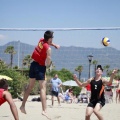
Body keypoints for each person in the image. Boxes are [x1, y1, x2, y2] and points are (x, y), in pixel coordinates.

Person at [20, 30, 60, 119]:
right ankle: (44, 110)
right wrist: (47, 64)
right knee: (43, 88)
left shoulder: (41, 40)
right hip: (40, 67)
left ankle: (22, 106)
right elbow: (48, 60)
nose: (52, 39)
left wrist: (55, 45)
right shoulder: (48, 49)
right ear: (49, 38)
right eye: (52, 38)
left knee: (30, 87)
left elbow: (48, 43)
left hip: (33, 64)